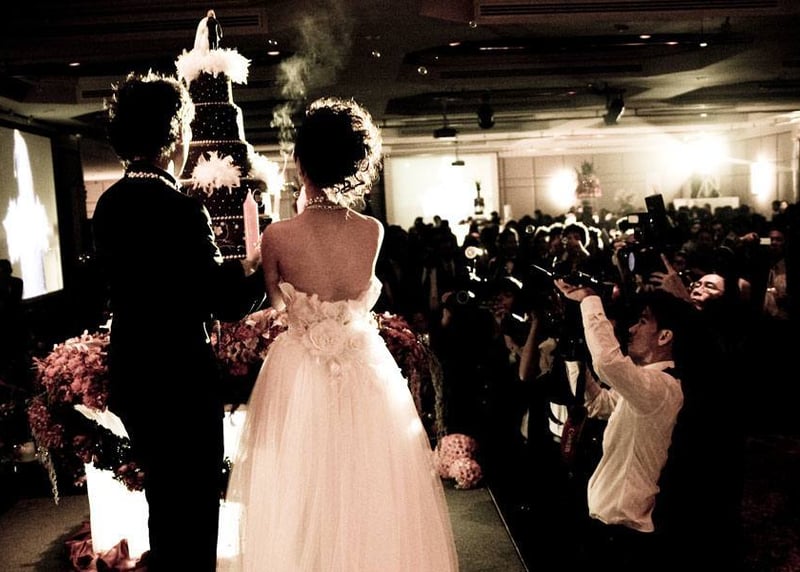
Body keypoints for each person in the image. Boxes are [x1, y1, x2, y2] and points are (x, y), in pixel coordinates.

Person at [223, 97, 458, 571]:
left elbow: (276, 303)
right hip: (364, 365)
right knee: (366, 479)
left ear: (301, 161)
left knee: (300, 483)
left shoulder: (277, 236)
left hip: (298, 370)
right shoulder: (371, 230)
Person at [91, 71, 261, 571]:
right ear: (176, 136)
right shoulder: (181, 210)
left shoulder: (109, 205)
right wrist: (254, 270)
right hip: (180, 380)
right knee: (194, 508)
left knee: (164, 502)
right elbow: (220, 300)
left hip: (134, 375)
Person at [554, 280, 692, 572]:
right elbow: (599, 404)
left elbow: (609, 363)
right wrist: (574, 359)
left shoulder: (661, 387)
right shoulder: (647, 387)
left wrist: (590, 300)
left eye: (642, 322)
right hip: (612, 527)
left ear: (664, 336)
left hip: (622, 534)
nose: (631, 329)